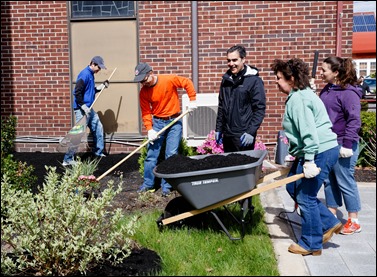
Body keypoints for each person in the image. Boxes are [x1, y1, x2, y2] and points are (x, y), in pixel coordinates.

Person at [271, 58, 341, 256]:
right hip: (315, 149)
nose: (276, 82)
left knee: (306, 197)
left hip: (320, 150)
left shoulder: (299, 99)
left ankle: (311, 243)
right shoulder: (300, 94)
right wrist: (297, 154)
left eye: (279, 78)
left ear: (291, 78)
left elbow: (309, 133)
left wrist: (309, 160)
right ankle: (329, 223)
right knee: (292, 186)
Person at [134, 62, 197, 197]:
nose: (143, 83)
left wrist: (192, 100)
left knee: (171, 155)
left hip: (174, 121)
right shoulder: (143, 92)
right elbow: (145, 112)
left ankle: (166, 187)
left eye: (144, 79)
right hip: (158, 123)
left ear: (150, 73)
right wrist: (150, 129)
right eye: (140, 81)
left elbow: (186, 82)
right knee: (151, 156)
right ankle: (148, 185)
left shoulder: (168, 79)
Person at [319, 56, 363, 235]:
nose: (321, 73)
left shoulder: (349, 93)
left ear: (336, 73)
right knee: (329, 180)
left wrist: (346, 145)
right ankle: (331, 214)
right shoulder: (328, 89)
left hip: (344, 143)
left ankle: (354, 220)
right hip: (329, 143)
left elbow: (354, 120)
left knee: (345, 181)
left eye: (324, 70)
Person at [215, 45, 266, 152]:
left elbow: (259, 108)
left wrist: (251, 132)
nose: (231, 64)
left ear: (243, 59)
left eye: (234, 60)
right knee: (230, 167)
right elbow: (221, 106)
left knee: (242, 167)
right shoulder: (226, 80)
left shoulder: (253, 81)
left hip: (243, 136)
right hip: (228, 135)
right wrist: (219, 129)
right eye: (229, 60)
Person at [63, 56, 109, 166]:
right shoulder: (84, 74)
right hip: (81, 109)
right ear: (93, 64)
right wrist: (82, 106)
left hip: (89, 108)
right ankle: (68, 159)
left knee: (98, 125)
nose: (99, 70)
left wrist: (101, 87)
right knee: (78, 133)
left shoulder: (91, 75)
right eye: (98, 67)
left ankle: (98, 151)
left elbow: (89, 91)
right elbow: (77, 92)